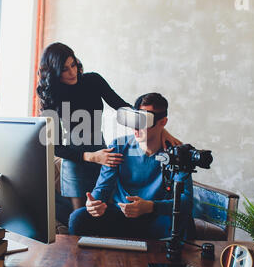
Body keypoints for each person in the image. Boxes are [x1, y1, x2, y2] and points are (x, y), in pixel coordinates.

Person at [36, 43, 182, 215]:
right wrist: (91, 156)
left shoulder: (93, 81)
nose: (72, 72)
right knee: (81, 217)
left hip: (101, 152)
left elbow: (124, 108)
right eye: (65, 69)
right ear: (53, 72)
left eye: (73, 65)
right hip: (75, 161)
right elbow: (55, 146)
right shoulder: (50, 96)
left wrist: (160, 129)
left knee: (102, 211)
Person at [68, 93, 195, 240]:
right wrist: (93, 204)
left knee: (185, 222)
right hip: (120, 217)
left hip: (156, 218)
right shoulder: (119, 146)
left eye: (144, 120)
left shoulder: (178, 154)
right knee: (78, 218)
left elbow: (187, 202)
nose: (136, 127)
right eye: (136, 119)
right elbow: (102, 189)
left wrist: (151, 206)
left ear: (163, 122)